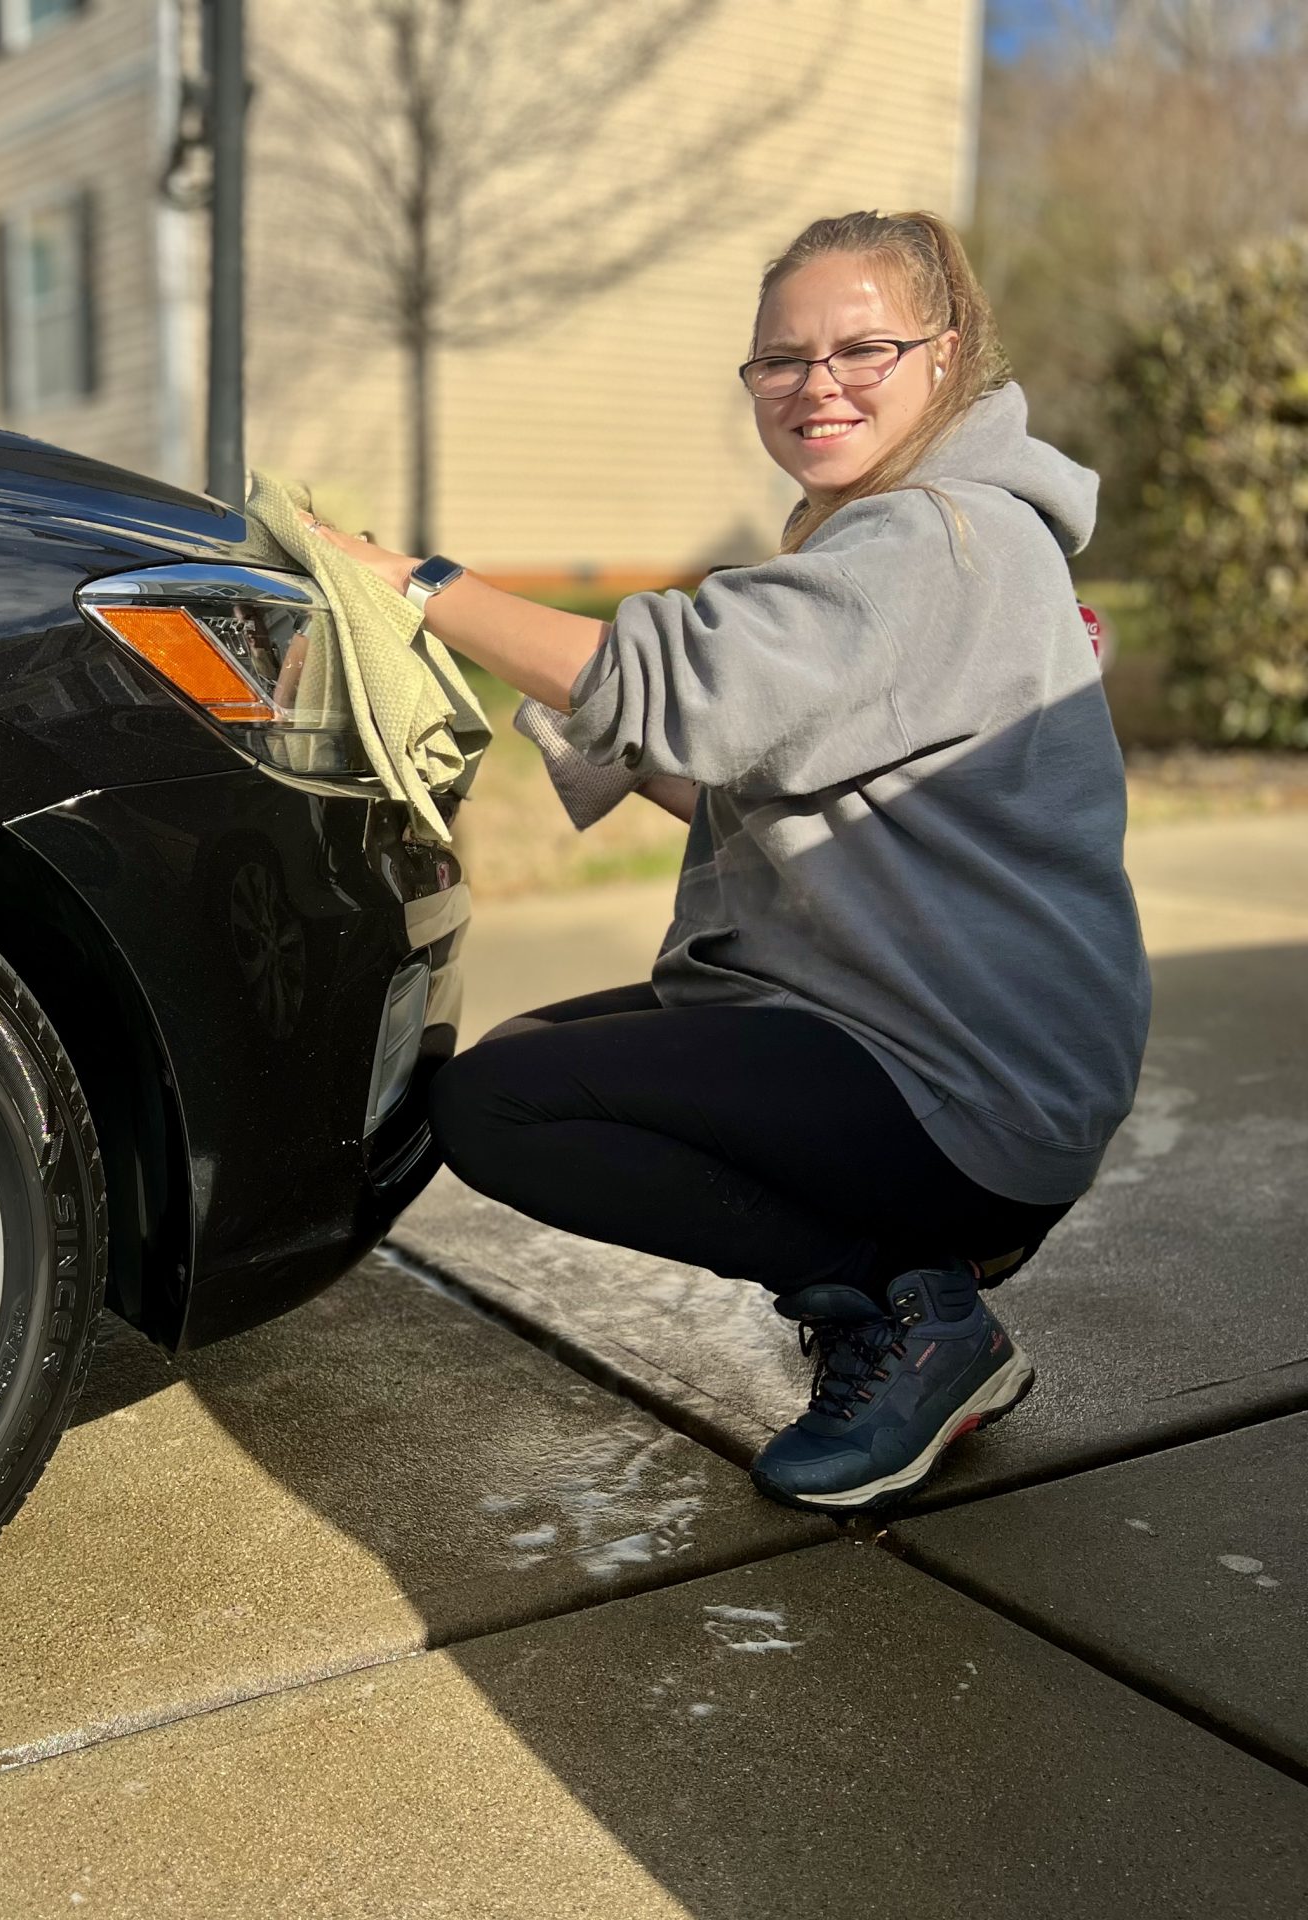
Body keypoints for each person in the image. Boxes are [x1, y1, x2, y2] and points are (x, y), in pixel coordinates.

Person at [310, 210, 1149, 1512]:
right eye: (782, 360)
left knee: (506, 1106)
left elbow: (685, 681)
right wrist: (580, 717)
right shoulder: (928, 534)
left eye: (864, 347)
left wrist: (410, 584)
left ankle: (908, 1316)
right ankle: (897, 1286)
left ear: (949, 353)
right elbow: (747, 774)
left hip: (963, 1089)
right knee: (541, 1071)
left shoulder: (934, 540)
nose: (819, 385)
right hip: (950, 1049)